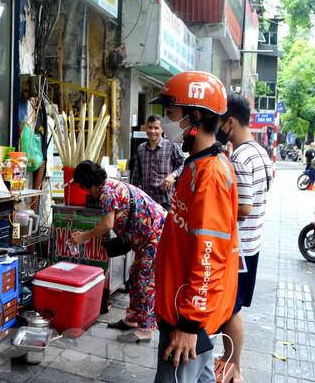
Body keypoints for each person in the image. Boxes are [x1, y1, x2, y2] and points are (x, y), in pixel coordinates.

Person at [150, 71, 239, 383]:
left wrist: (189, 325)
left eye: (172, 115)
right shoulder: (194, 165)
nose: (167, 124)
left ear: (195, 118)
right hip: (180, 310)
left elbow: (209, 255)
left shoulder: (211, 174)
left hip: (186, 321)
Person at [70, 160, 166, 343]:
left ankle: (146, 328)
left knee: (146, 281)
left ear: (91, 184)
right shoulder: (109, 186)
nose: (86, 192)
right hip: (146, 237)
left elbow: (107, 224)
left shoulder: (107, 193)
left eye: (85, 187)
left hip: (155, 236)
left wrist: (83, 237)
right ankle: (132, 319)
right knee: (135, 274)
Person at [215, 94, 273, 383]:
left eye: (221, 121)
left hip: (240, 249)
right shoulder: (260, 151)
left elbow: (245, 208)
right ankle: (228, 361)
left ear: (230, 122)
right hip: (253, 245)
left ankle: (234, 368)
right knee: (233, 309)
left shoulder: (240, 156)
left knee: (231, 310)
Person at [130, 115, 185, 210]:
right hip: (146, 201)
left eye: (156, 128)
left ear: (162, 129)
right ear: (146, 128)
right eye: (150, 127)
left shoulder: (172, 146)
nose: (152, 131)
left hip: (166, 200)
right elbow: (136, 174)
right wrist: (132, 196)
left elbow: (184, 164)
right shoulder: (141, 148)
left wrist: (173, 175)